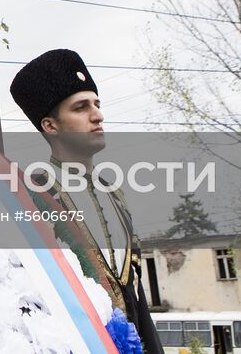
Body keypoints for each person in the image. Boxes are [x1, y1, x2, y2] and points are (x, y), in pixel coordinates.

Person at [11, 49, 164, 354]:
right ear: (50, 125)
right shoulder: (33, 194)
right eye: (81, 108)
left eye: (97, 104)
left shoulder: (115, 194)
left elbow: (135, 296)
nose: (97, 115)